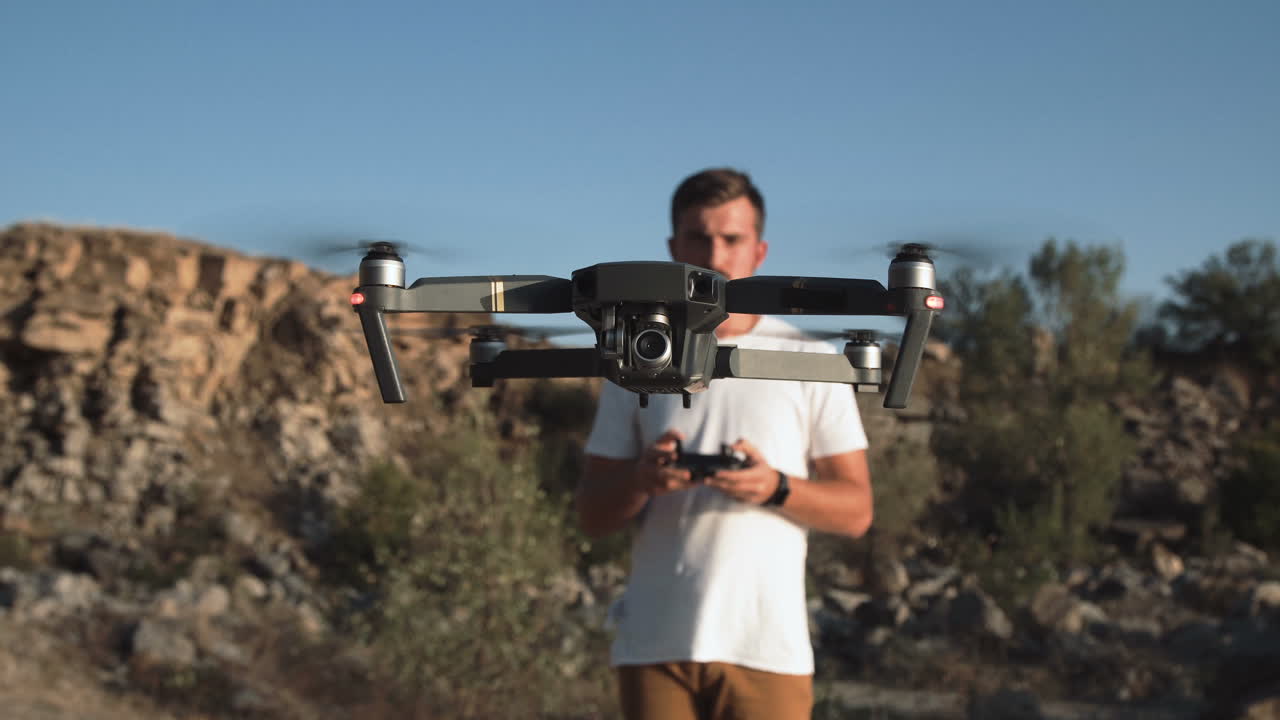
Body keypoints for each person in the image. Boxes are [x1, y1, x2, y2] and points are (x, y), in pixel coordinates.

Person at [575, 167, 874, 720]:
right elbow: (591, 513)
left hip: (766, 649)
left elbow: (856, 510)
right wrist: (642, 481)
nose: (715, 254)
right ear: (673, 248)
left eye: (731, 239)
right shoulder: (638, 360)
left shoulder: (808, 360)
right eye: (699, 238)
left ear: (759, 251)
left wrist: (776, 487)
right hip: (654, 646)